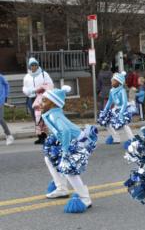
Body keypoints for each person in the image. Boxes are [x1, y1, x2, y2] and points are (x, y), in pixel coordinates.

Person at [41, 85, 98, 213]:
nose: (41, 102)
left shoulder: (54, 115)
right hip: (70, 140)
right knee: (48, 158)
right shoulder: (51, 113)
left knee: (68, 169)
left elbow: (65, 131)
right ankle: (61, 188)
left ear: (54, 103)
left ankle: (85, 198)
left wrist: (65, 151)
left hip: (78, 142)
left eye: (45, 100)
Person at [22, 57, 53, 144]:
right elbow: (25, 87)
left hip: (41, 98)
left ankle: (44, 136)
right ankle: (40, 137)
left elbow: (50, 84)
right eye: (32, 65)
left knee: (41, 117)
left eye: (35, 65)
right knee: (34, 117)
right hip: (31, 98)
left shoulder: (44, 74)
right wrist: (27, 91)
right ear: (29, 66)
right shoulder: (27, 76)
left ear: (38, 65)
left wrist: (42, 90)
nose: (34, 67)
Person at [98, 71, 134, 144]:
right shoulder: (112, 91)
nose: (112, 82)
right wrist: (105, 110)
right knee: (107, 122)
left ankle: (132, 139)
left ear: (118, 82)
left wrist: (121, 113)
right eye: (112, 80)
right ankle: (116, 138)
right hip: (116, 108)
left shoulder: (122, 91)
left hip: (123, 109)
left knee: (124, 124)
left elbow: (124, 103)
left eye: (114, 81)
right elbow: (110, 101)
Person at [0, 73, 14, 145]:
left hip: (1, 100)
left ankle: (9, 136)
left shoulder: (0, 77)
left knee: (0, 119)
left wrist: (5, 96)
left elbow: (6, 85)